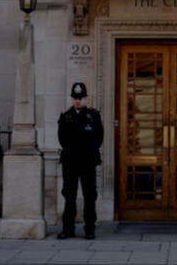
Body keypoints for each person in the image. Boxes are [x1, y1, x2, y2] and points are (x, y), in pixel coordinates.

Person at [57, 82, 104, 240]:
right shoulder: (66, 117)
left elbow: (99, 137)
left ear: (86, 99)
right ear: (72, 99)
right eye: (75, 98)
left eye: (80, 98)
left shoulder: (93, 116)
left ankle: (89, 228)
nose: (78, 101)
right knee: (69, 195)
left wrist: (88, 151)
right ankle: (67, 228)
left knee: (89, 196)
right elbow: (62, 139)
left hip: (87, 162)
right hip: (70, 162)